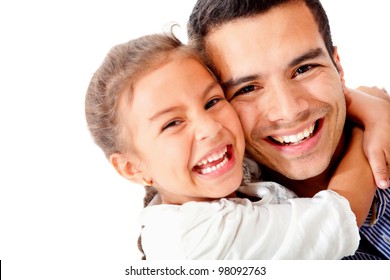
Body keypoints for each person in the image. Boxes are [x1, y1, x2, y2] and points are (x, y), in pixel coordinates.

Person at [85, 31, 380, 259]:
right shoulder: (194, 241)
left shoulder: (231, 171)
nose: (210, 128)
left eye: (213, 101)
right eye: (172, 123)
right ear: (132, 167)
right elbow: (341, 215)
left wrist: (367, 104)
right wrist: (367, 130)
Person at [188, 0, 390, 259]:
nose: (289, 110)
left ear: (338, 67)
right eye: (247, 88)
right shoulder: (225, 240)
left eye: (304, 69)